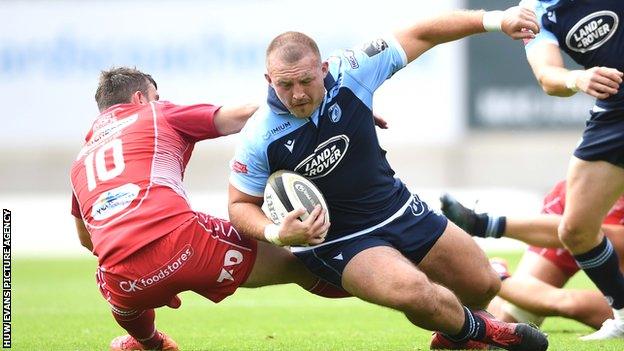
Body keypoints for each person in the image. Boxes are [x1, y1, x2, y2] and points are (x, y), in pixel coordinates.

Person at [227, 7, 549, 351]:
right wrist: (277, 233)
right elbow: (239, 204)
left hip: (396, 207)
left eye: (306, 81)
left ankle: (453, 336)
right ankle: (489, 332)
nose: (298, 94)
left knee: (483, 284)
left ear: (323, 69)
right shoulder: (259, 136)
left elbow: (423, 33)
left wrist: (497, 20)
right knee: (414, 291)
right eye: (285, 85)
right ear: (268, 81)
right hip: (339, 240)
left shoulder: (352, 70)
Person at [70, 67, 350, 351]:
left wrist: (142, 260)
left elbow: (86, 239)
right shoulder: (156, 113)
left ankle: (150, 343)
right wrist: (326, 112)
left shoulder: (80, 162)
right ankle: (387, 284)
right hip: (186, 244)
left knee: (116, 293)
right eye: (157, 96)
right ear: (141, 98)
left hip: (126, 280)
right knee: (299, 267)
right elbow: (244, 116)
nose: (160, 101)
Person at [519, 0, 624, 340]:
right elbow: (548, 76)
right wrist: (578, 78)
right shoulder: (535, 11)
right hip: (615, 111)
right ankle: (622, 316)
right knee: (576, 230)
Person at [440, 181, 624, 333]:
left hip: (597, 207)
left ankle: (494, 272)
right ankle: (481, 227)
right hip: (590, 191)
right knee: (507, 318)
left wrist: (496, 279)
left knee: (527, 314)